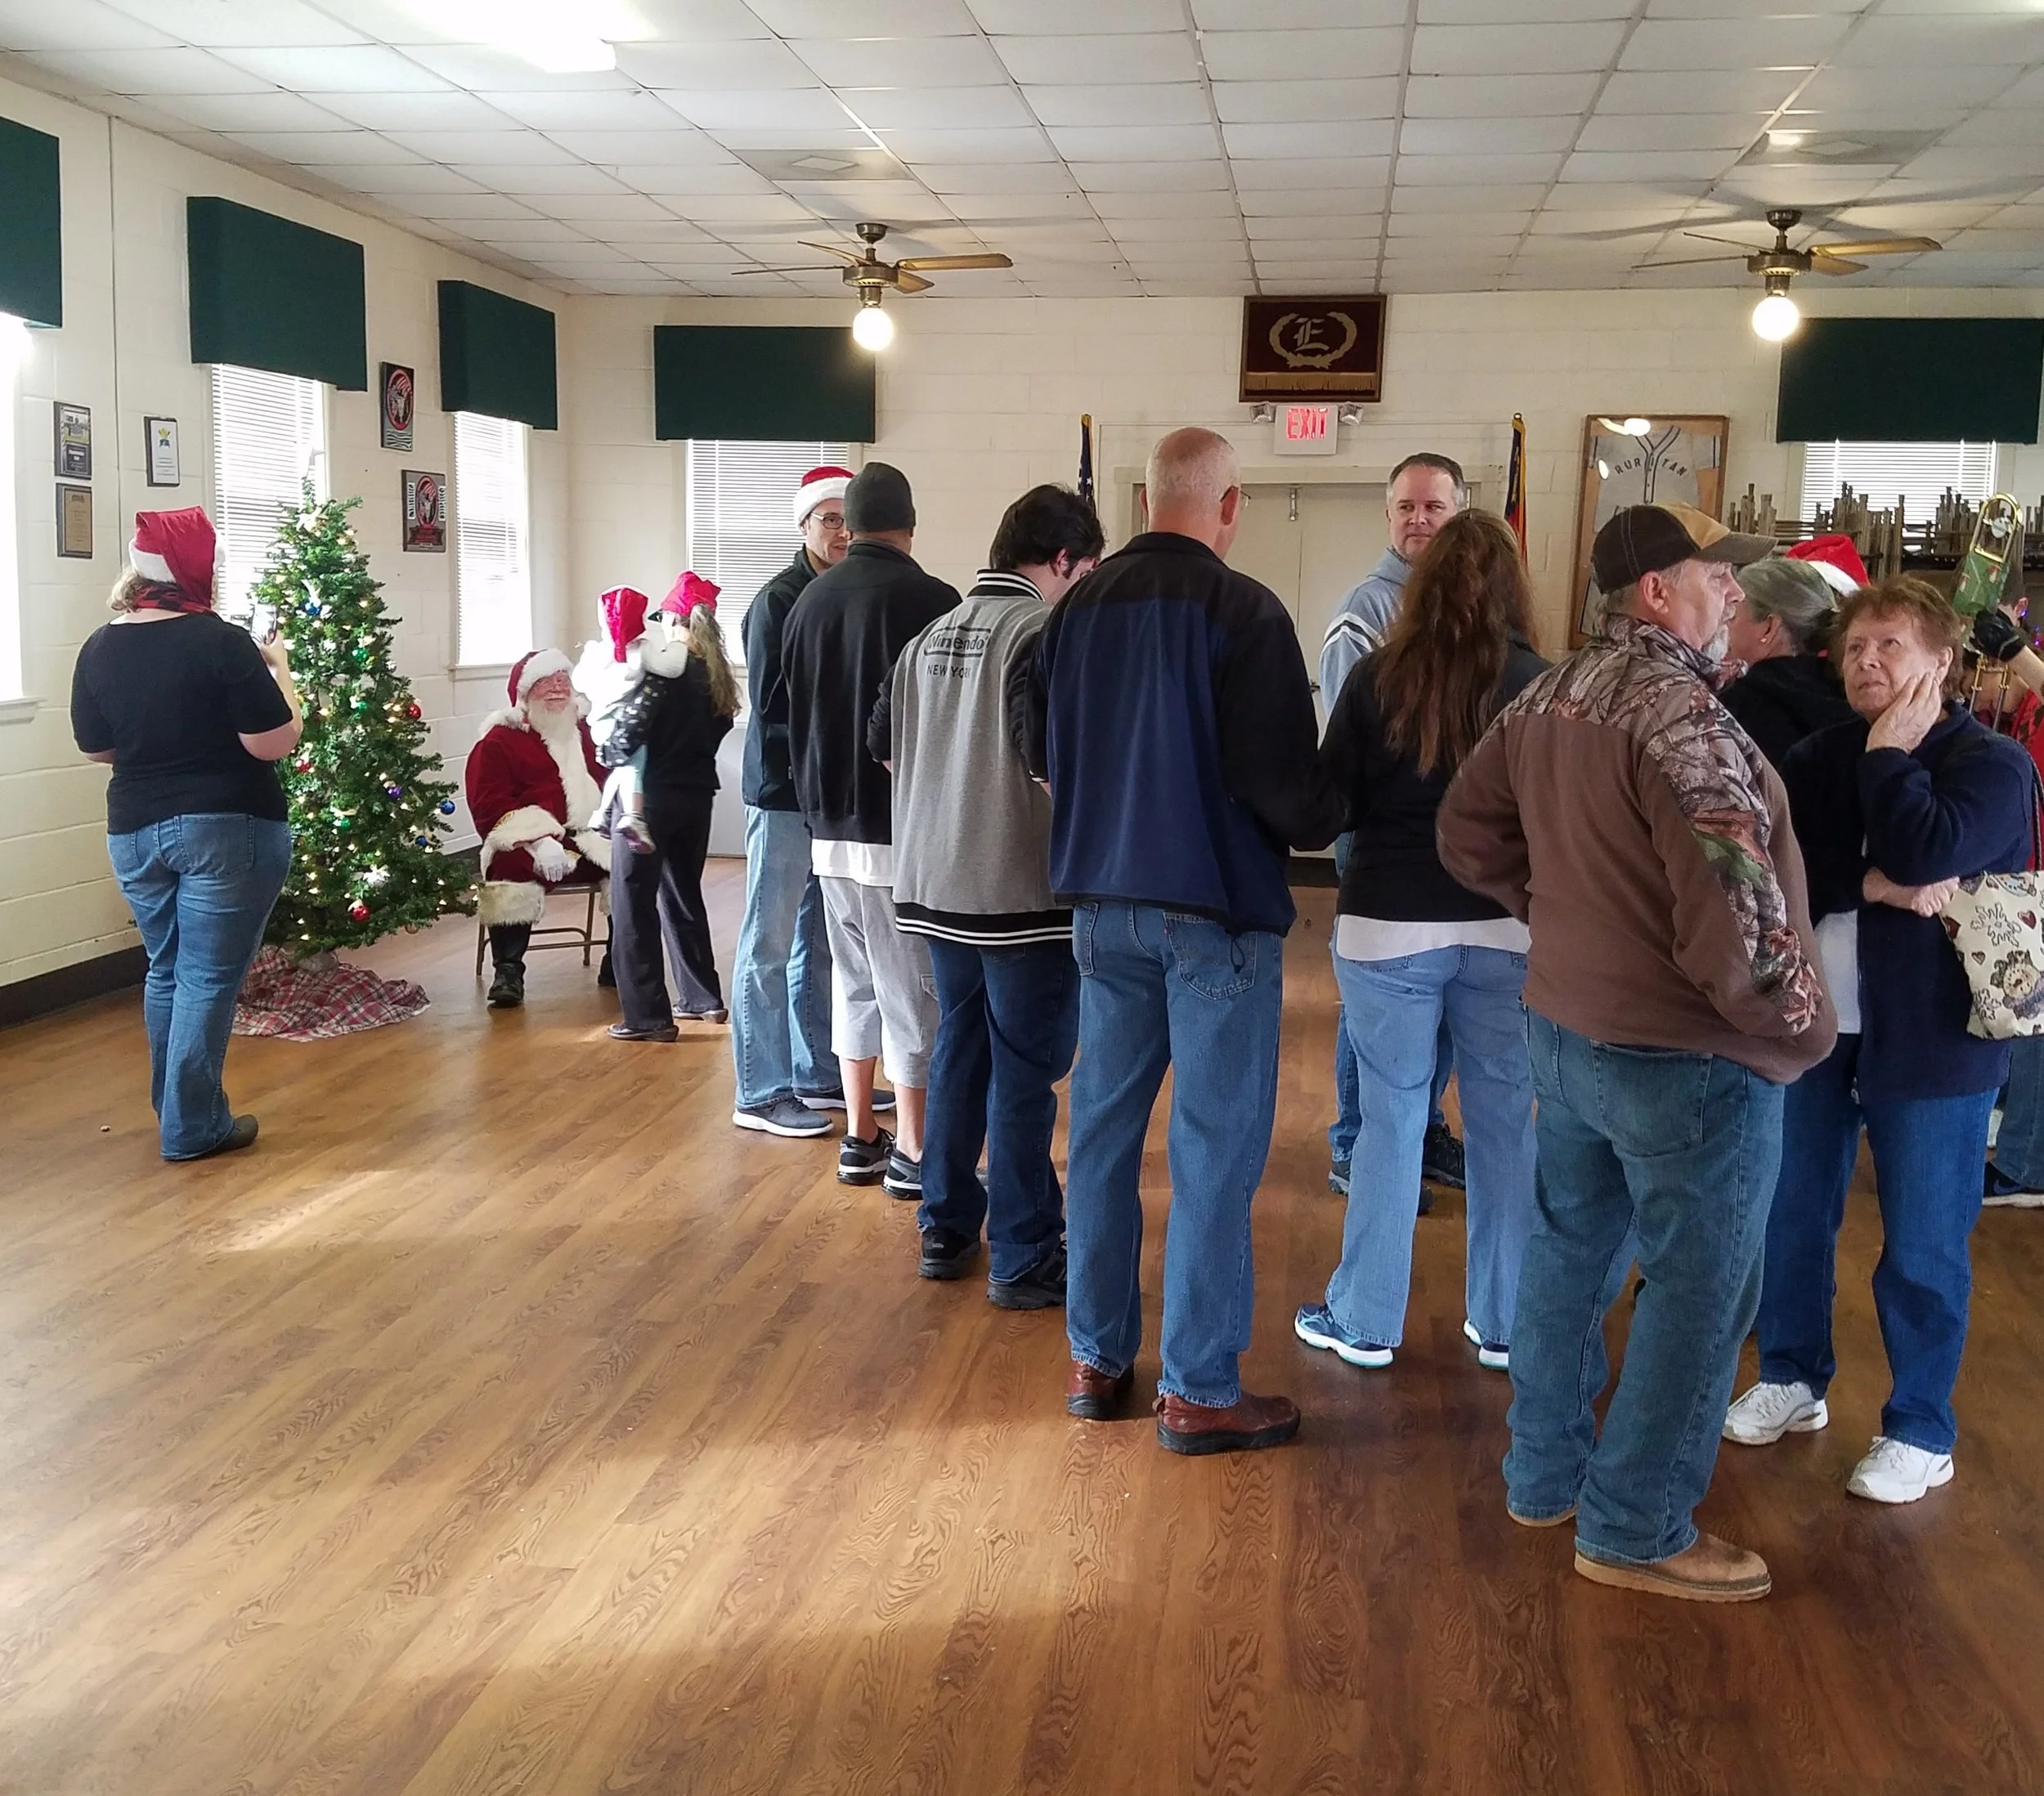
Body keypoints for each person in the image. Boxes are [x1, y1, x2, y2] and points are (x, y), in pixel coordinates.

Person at [1439, 500, 1836, 1603]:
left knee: (1571, 1257)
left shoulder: (1549, 693)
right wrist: (1804, 1032)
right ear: (1658, 591)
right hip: (1688, 1061)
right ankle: (1635, 1525)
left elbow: (1465, 834)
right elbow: (1746, 933)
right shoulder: (1683, 717)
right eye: (1718, 580)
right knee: (1698, 1293)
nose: (1734, 600)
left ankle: (1544, 1477)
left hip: (1569, 1035)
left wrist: (1564, 917)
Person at [1023, 427, 1345, 1455]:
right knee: (1211, 1153)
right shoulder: (1244, 611)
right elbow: (1289, 795)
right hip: (1210, 913)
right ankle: (1200, 1387)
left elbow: (1035, 745)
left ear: (1145, 497)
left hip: (1097, 907)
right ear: (1229, 504)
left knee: (1105, 1140)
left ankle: (1097, 1360)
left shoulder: (1071, 613)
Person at [1725, 578, 2033, 1504]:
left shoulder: (1991, 763)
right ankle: (1791, 1372)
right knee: (1793, 1211)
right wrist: (1880, 886)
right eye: (1855, 649)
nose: (1866, 662)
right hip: (1818, 1026)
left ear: (1940, 662)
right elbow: (1775, 871)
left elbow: (1927, 848)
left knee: (1924, 1240)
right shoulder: (1815, 753)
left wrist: (1891, 763)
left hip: (1936, 1040)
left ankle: (1919, 1426)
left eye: (1889, 647)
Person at [1293, 510, 1547, 1377]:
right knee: (1506, 1124)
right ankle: (1506, 1319)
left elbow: (1329, 806)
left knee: (1392, 1119)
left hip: (1385, 923)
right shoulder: (1541, 684)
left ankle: (1364, 1318)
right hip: (1507, 926)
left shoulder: (1376, 678)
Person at [870, 484, 1104, 1306]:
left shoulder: (927, 635)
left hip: (933, 886)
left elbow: (884, 748)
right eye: (1087, 569)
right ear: (1065, 560)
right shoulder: (1045, 630)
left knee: (960, 1050)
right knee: (1025, 1071)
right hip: (1017, 890)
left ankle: (945, 1225)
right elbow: (1060, 758)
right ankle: (1023, 1249)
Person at [69, 506, 299, 1159]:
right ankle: (193, 1125)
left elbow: (98, 748)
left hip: (135, 832)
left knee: (167, 970)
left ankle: (174, 1107)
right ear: (198, 568)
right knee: (206, 976)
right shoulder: (222, 641)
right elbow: (272, 741)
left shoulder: (99, 645)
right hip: (228, 827)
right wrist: (278, 668)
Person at [782, 463, 959, 1193]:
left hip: (826, 830)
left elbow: (786, 712)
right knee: (912, 992)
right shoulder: (934, 600)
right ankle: (914, 1148)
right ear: (911, 526)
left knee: (853, 985)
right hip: (902, 833)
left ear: (849, 527)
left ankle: (860, 1136)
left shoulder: (806, 602)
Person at [1320, 452, 1469, 1202]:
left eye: (1433, 508)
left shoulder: (1467, 614)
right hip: (1381, 836)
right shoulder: (1369, 611)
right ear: (1389, 516)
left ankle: (1424, 1128)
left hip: (1453, 848)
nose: (1419, 520)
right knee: (1378, 1005)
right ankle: (1354, 1140)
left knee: (1434, 1003)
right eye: (1407, 507)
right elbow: (1351, 746)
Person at [729, 467, 854, 1136]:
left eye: (848, 519)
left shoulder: (843, 592)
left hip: (826, 795)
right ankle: (760, 1088)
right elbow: (774, 704)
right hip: (783, 793)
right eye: (829, 519)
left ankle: (817, 1073)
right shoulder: (779, 599)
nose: (842, 531)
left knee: (819, 942)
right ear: (804, 525)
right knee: (769, 942)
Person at [601, 575, 739, 1043]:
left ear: (675, 619)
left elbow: (627, 736)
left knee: (632, 904)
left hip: (649, 801)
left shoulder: (666, 673)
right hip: (697, 798)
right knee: (683, 897)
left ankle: (646, 1016)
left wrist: (607, 747)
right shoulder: (717, 677)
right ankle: (703, 998)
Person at [465, 649, 610, 1009]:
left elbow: (613, 783)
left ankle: (622, 960)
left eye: (564, 681)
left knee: (631, 862)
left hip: (586, 834)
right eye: (547, 682)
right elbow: (489, 803)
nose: (558, 689)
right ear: (525, 692)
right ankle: (509, 970)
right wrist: (538, 839)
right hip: (529, 840)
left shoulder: (589, 733)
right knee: (508, 866)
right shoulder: (499, 740)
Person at [1719, 551, 1857, 769]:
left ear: (1769, 627)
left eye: (1732, 617)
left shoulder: (1742, 704)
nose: (1723, 627)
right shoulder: (1852, 691)